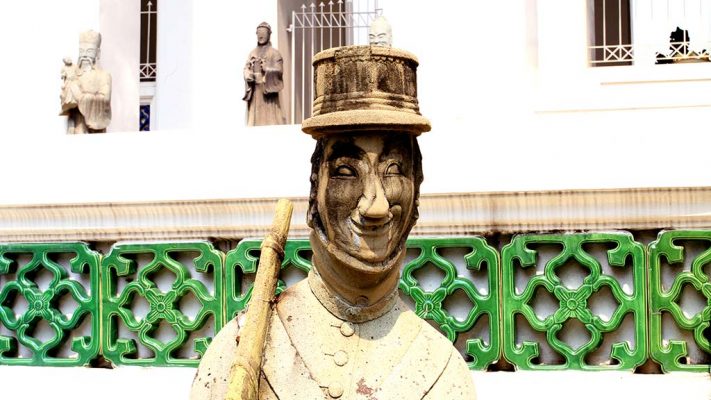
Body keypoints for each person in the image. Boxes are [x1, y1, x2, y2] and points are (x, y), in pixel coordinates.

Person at [191, 45, 476, 399]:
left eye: (394, 171)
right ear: (315, 192)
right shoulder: (241, 352)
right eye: (345, 172)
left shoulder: (441, 372)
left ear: (417, 194)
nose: (376, 205)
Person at [59, 30, 112, 134]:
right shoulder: (75, 74)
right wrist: (68, 78)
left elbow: (105, 99)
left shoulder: (104, 75)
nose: (84, 56)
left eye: (89, 52)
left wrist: (82, 98)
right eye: (82, 51)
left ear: (97, 53)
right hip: (76, 124)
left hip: (95, 125)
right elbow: (65, 100)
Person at [243, 22, 286, 126]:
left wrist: (267, 69)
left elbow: (279, 70)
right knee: (254, 121)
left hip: (268, 92)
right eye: (258, 33)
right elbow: (246, 68)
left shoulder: (275, 53)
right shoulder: (252, 53)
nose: (261, 35)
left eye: (263, 32)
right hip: (255, 92)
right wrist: (248, 74)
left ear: (269, 34)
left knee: (271, 120)